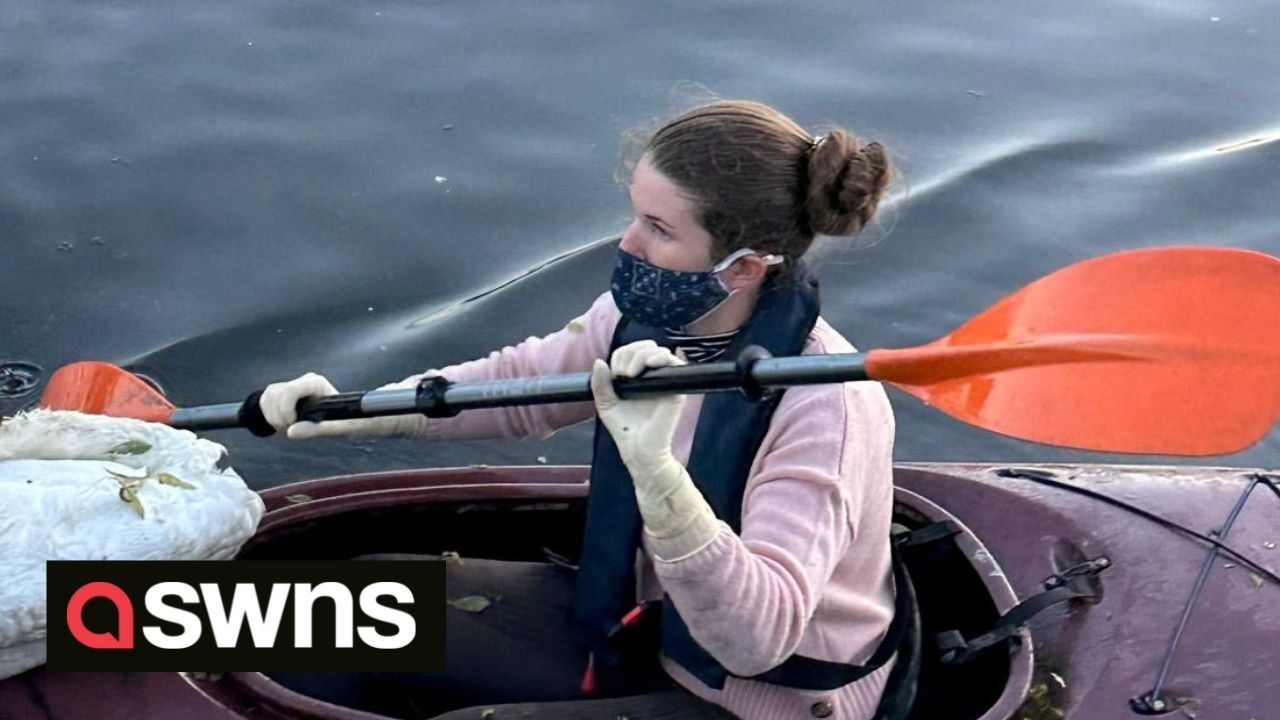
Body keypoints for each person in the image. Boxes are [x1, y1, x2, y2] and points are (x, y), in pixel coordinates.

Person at [260, 100, 900, 720]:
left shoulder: (827, 409)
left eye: (659, 228)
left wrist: (657, 475)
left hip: (754, 699)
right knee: (336, 611)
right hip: (634, 623)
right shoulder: (640, 316)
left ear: (744, 269)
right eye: (635, 215)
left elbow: (757, 638)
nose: (628, 243)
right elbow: (516, 389)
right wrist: (351, 409)